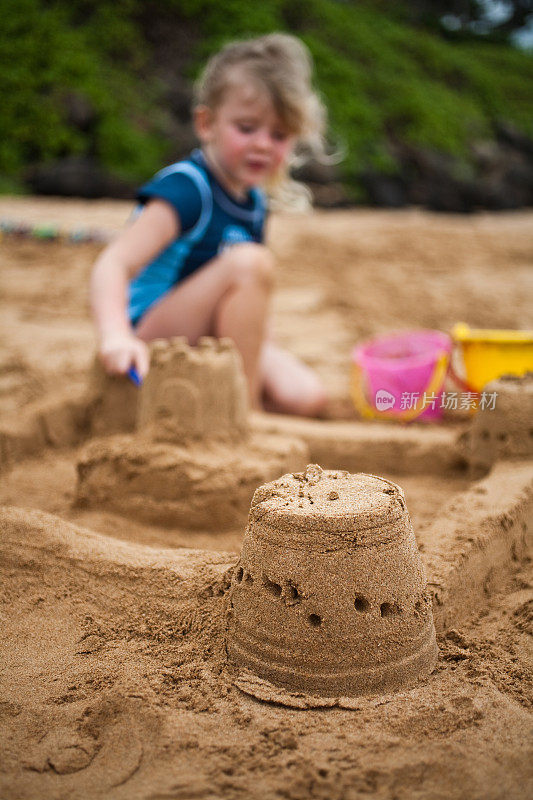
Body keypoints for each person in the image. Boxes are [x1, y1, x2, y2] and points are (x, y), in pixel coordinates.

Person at [90, 33, 328, 416]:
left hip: (209, 336)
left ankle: (242, 395)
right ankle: (242, 413)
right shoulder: (187, 189)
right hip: (153, 339)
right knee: (250, 263)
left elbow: (245, 299)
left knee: (306, 395)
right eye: (247, 128)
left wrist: (259, 346)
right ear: (206, 123)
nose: (264, 145)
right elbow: (113, 264)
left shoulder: (253, 202)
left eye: (279, 135)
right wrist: (116, 336)